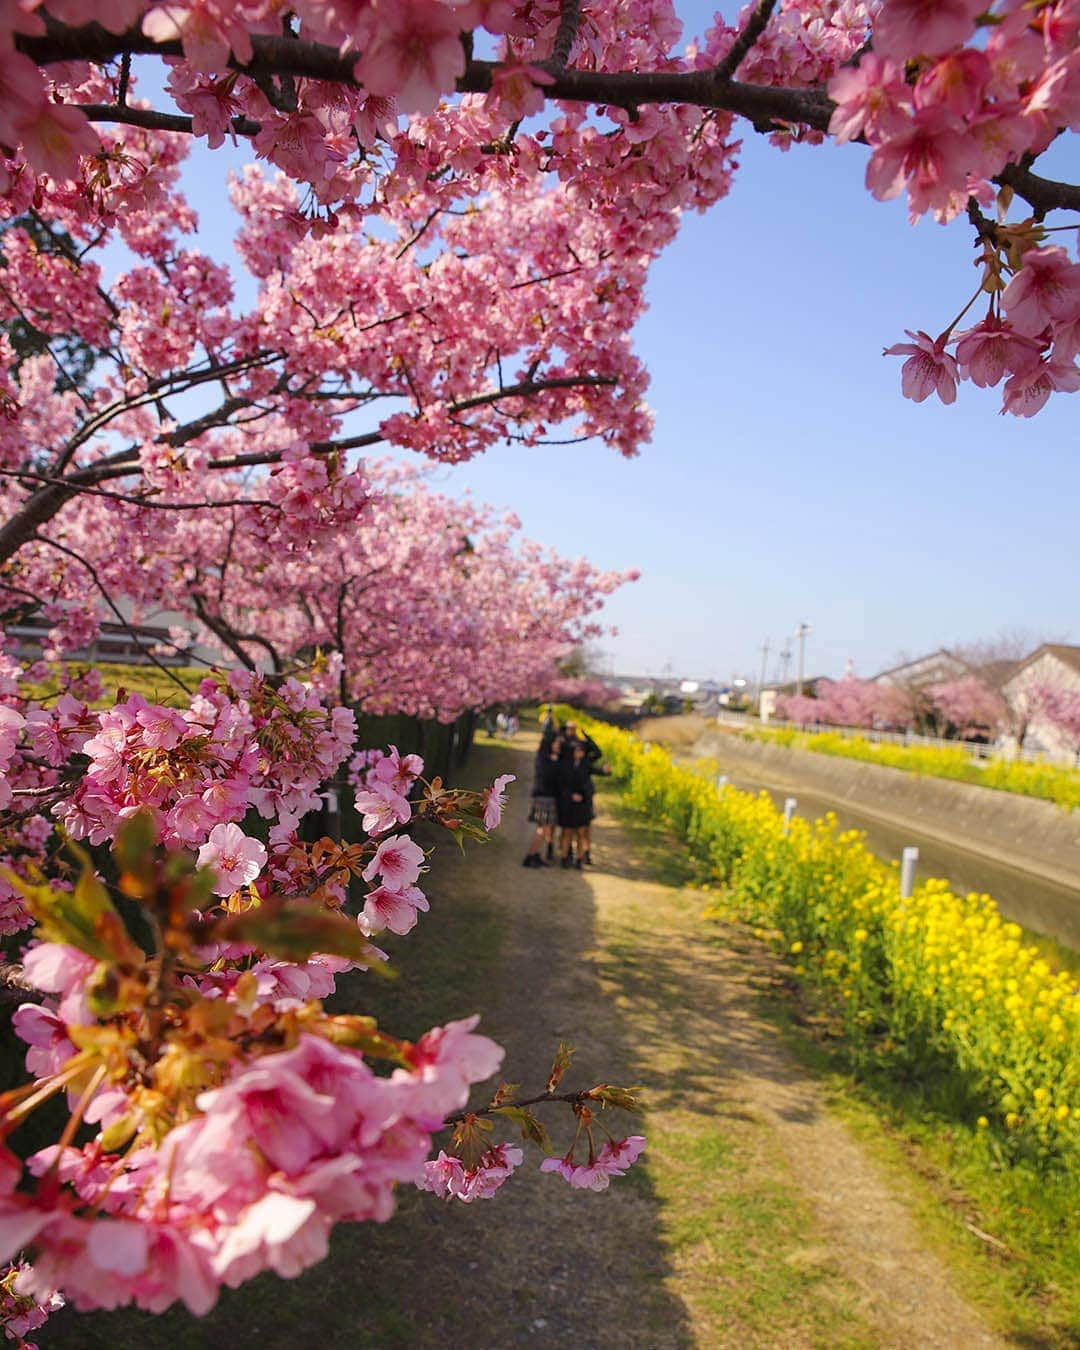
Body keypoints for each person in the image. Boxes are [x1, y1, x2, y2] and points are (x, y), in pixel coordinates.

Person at [557, 739, 600, 868]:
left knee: (581, 833)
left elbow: (598, 754)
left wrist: (588, 737)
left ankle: (579, 860)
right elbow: (560, 784)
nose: (579, 753)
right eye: (577, 750)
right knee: (567, 832)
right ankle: (564, 858)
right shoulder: (565, 765)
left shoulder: (586, 764)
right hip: (569, 804)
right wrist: (570, 795)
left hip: (583, 804)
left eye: (582, 750)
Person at [522, 733, 561, 868]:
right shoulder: (545, 760)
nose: (558, 746)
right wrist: (555, 763)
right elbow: (549, 778)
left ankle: (536, 854)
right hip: (544, 798)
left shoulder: (545, 758)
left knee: (544, 829)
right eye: (556, 743)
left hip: (546, 797)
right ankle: (530, 856)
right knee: (542, 830)